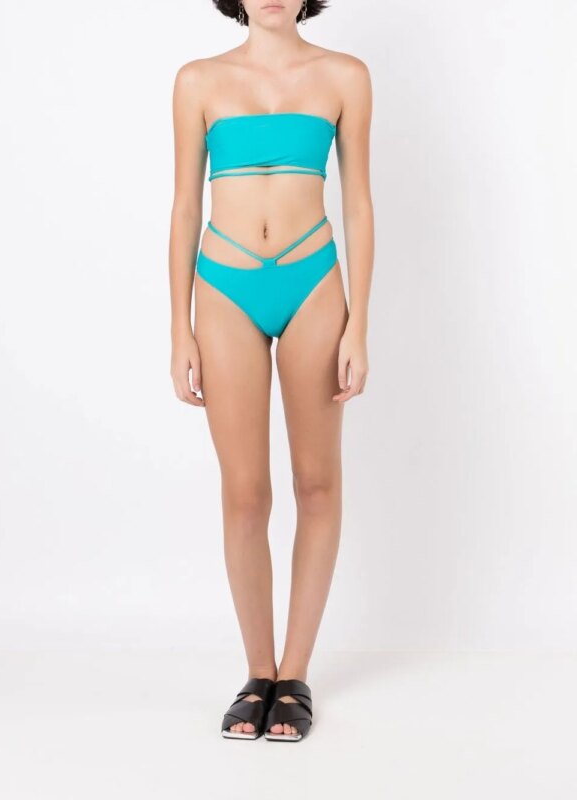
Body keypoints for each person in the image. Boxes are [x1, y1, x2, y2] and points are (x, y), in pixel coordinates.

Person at [168, 0, 374, 741]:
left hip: (314, 281)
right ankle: (258, 673)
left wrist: (359, 324)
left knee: (317, 483)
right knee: (245, 492)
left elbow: (357, 203)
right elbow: (184, 206)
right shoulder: (198, 80)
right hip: (224, 287)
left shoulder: (344, 75)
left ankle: (295, 675)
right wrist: (180, 327)